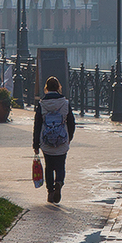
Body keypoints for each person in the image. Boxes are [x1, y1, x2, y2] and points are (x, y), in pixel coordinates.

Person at [33, 76, 75, 204]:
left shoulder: (42, 104)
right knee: (60, 166)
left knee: (49, 167)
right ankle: (59, 182)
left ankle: (50, 191)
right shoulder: (65, 103)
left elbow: (38, 124)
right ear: (58, 88)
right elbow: (72, 122)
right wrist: (69, 137)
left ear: (46, 88)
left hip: (46, 141)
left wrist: (35, 143)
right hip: (62, 140)